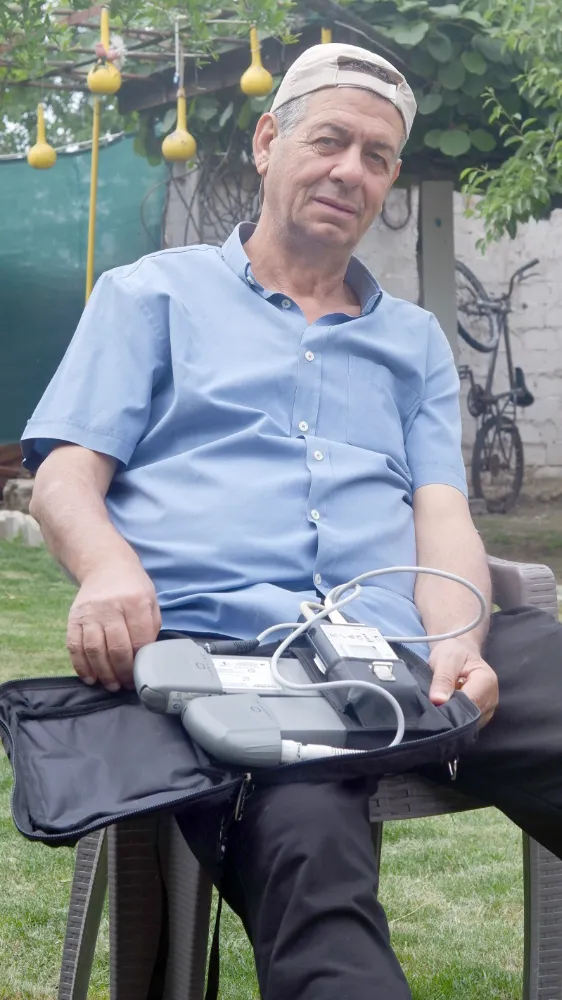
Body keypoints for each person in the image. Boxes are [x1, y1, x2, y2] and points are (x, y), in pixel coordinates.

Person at [21, 42, 562, 1000]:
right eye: (330, 141)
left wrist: (459, 640)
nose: (351, 171)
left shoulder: (412, 341)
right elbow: (66, 474)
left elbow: (441, 509)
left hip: (406, 641)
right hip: (240, 659)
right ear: (269, 141)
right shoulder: (150, 296)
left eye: (377, 157)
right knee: (312, 866)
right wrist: (107, 570)